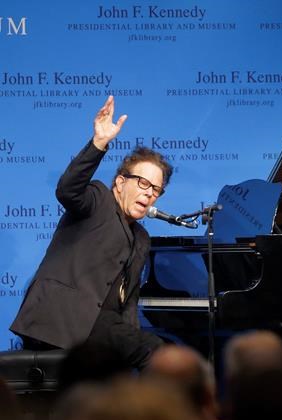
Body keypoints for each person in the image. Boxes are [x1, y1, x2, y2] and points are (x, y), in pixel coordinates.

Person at [10, 95, 172, 370]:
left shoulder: (142, 238)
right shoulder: (98, 198)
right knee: (156, 353)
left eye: (156, 189)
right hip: (60, 317)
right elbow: (67, 190)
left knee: (152, 351)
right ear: (120, 182)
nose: (149, 193)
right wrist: (99, 143)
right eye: (143, 183)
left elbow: (129, 302)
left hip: (102, 328)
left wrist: (128, 348)